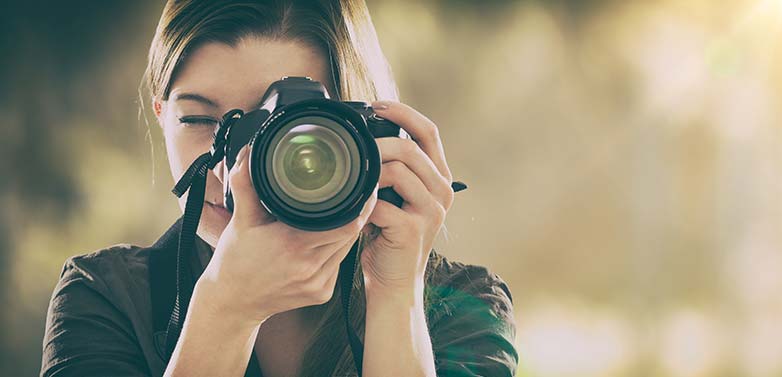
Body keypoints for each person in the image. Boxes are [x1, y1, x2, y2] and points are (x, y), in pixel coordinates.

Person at [40, 0, 517, 376]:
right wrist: (224, 311)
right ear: (162, 115)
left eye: (281, 129)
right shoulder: (105, 297)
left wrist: (396, 294)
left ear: (360, 131)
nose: (234, 174)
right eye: (201, 121)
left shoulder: (463, 305)